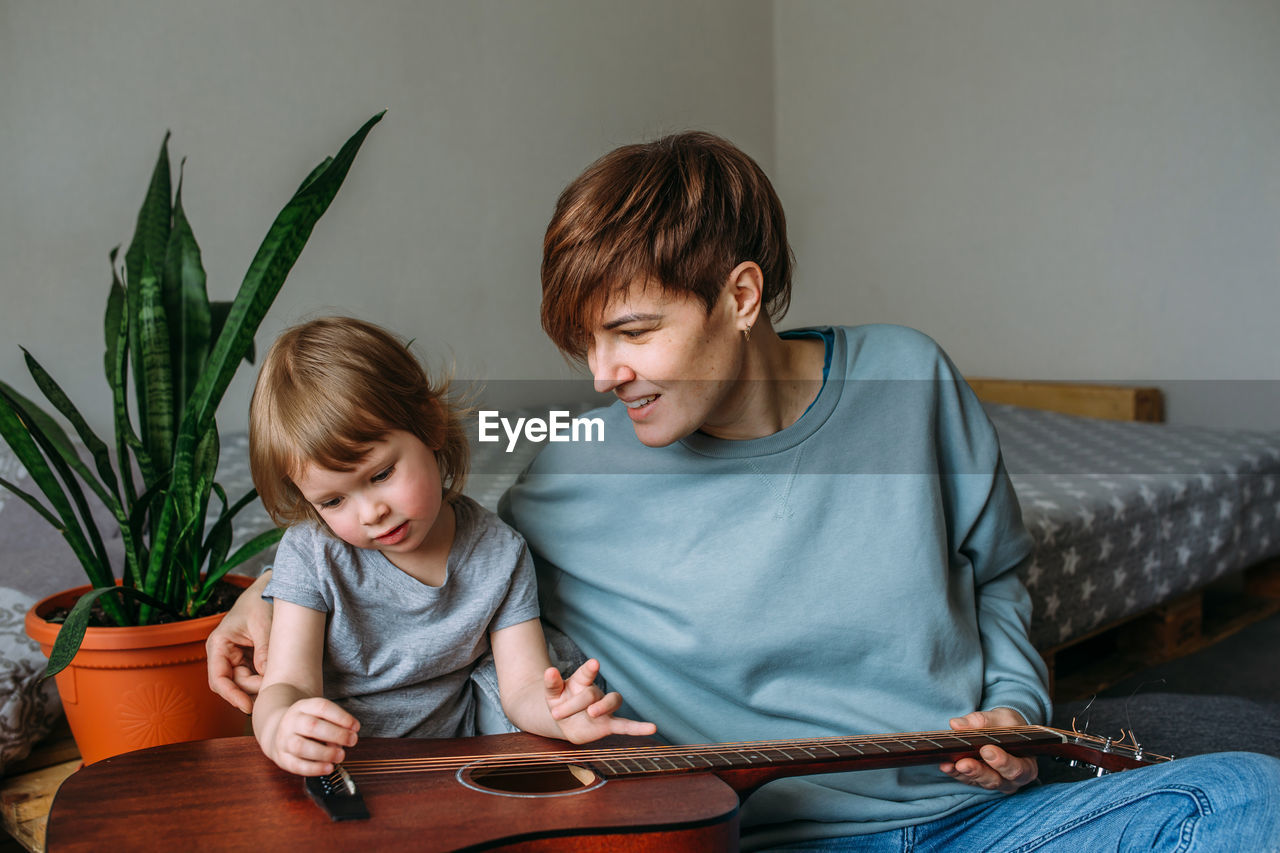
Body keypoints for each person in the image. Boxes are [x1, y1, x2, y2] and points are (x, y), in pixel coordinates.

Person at [211, 136, 1280, 848]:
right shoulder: (567, 463)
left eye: (631, 333)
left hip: (971, 818)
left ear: (739, 294)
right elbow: (422, 541)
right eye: (584, 344)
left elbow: (995, 574)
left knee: (1243, 798)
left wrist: (1014, 706)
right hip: (749, 838)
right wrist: (268, 594)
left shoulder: (907, 379)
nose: (600, 374)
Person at [240, 316, 653, 777]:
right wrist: (279, 725)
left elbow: (521, 688)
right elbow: (290, 682)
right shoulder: (311, 554)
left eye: (381, 475)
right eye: (333, 500)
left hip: (454, 770)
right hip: (342, 771)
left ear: (431, 426)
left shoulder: (499, 552)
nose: (370, 513)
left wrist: (561, 714)